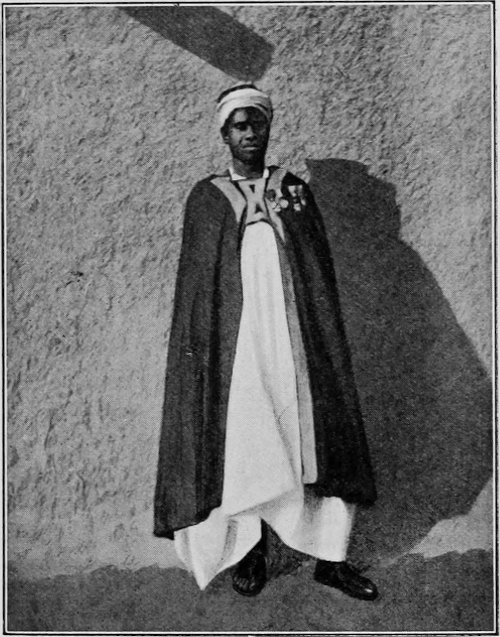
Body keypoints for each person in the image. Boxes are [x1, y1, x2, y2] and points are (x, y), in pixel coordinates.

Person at [154, 83, 378, 601]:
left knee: (318, 435)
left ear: (269, 128)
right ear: (224, 134)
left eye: (257, 123)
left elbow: (317, 275)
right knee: (248, 438)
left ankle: (331, 558)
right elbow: (199, 292)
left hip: (298, 342)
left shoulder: (292, 191)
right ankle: (252, 551)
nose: (250, 133)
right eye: (240, 125)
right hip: (240, 349)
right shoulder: (208, 199)